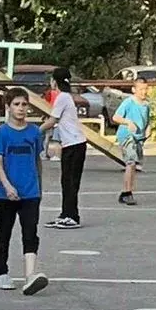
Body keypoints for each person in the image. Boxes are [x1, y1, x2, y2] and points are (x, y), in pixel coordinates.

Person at [0, 87, 48, 295]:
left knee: (30, 232)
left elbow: (37, 160)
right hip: (6, 193)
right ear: (9, 107)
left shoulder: (34, 132)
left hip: (30, 192)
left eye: (24, 104)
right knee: (4, 231)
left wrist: (39, 186)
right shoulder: (2, 133)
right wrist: (7, 185)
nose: (21, 108)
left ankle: (30, 275)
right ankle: (1, 273)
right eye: (16, 104)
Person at [40, 67, 88, 229]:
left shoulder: (62, 97)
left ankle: (72, 216)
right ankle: (65, 214)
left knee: (70, 182)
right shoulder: (65, 97)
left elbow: (52, 121)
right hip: (70, 145)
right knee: (66, 181)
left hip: (75, 144)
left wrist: (35, 131)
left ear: (55, 81)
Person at [113, 77, 151, 206]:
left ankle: (126, 191)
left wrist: (148, 129)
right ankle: (127, 193)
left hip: (139, 137)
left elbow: (147, 119)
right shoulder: (128, 102)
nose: (143, 92)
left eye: (145, 89)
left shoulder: (146, 105)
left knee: (134, 165)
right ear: (134, 89)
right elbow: (116, 117)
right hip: (127, 136)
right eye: (140, 89)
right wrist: (128, 122)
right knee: (131, 162)